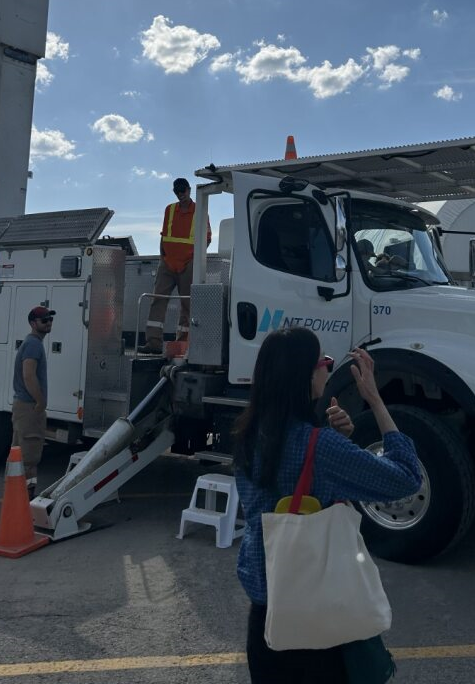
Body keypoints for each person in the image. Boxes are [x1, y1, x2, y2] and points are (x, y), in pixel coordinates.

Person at [233, 327, 422, 683]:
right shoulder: (320, 447)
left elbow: (287, 485)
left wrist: (333, 439)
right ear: (305, 376)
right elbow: (406, 478)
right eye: (324, 361)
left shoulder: (248, 434)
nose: (327, 368)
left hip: (265, 618)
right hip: (315, 621)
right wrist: (375, 400)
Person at [142, 178, 211, 354]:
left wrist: (192, 260)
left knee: (187, 304)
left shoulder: (200, 211)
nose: (180, 194)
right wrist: (162, 258)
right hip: (167, 263)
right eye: (177, 191)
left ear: (189, 190)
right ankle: (153, 343)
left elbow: (207, 238)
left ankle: (182, 344)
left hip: (187, 264)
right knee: (158, 299)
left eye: (183, 190)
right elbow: (164, 236)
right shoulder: (170, 209)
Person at [12, 304, 55, 499]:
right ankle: (26, 501)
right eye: (44, 320)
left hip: (23, 406)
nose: (48, 323)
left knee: (19, 456)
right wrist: (40, 402)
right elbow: (29, 375)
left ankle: (16, 498)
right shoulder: (33, 344)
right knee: (30, 458)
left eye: (50, 319)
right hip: (29, 407)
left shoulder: (32, 343)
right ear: (32, 323)